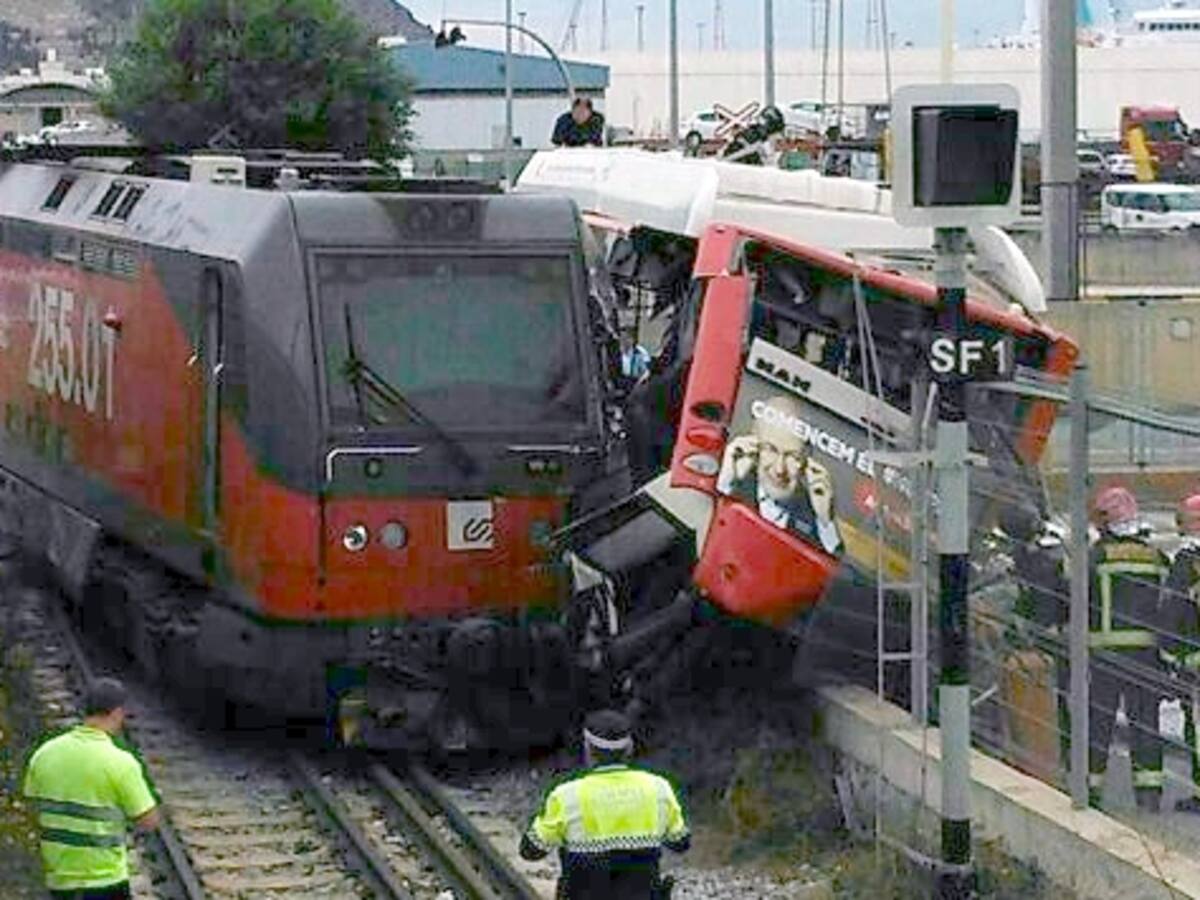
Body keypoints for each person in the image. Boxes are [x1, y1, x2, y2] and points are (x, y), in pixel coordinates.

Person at [521, 709, 689, 899]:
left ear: (588, 749)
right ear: (629, 749)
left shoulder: (566, 795)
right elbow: (680, 843)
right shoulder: (658, 788)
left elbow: (531, 851)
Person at [23, 677, 160, 900]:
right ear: (117, 713)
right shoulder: (120, 762)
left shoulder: (44, 754)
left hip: (60, 880)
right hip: (105, 880)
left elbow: (32, 805)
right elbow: (148, 821)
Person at [1088, 486, 1170, 810]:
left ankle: (1090, 787)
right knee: (1146, 722)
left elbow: (1076, 597)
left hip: (1105, 653)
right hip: (1146, 656)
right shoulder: (1157, 557)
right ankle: (1149, 794)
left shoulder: (1096, 556)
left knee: (1099, 721)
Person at [715, 394, 841, 555]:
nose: (780, 469)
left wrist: (826, 521)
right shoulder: (732, 484)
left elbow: (836, 575)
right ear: (753, 444)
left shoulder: (814, 514)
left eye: (793, 456)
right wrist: (724, 485)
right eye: (770, 449)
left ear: (806, 461)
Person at [1162, 493, 1200, 805]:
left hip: (1195, 658)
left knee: (1197, 725)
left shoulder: (1187, 560)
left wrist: (1169, 652)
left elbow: (1173, 608)